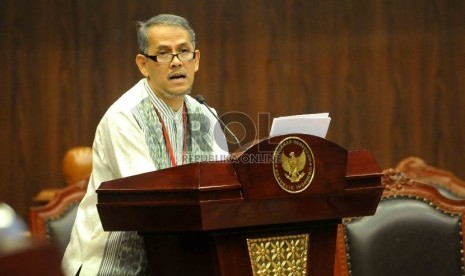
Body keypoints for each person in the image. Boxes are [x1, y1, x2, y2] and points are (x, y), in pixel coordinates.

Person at [62, 14, 229, 276]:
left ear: (196, 60)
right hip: (113, 262)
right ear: (143, 64)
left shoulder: (206, 116)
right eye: (163, 54)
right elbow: (149, 203)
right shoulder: (125, 117)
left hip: (180, 258)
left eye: (183, 52)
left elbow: (223, 189)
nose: (176, 63)